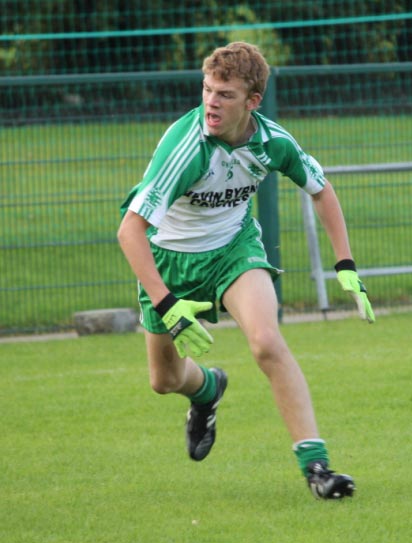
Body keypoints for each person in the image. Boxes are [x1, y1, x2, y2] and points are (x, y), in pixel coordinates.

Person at [117, 41, 375, 500]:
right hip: (167, 261)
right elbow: (130, 231)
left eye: (225, 94)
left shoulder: (272, 142)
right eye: (207, 89)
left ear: (252, 102)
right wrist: (166, 301)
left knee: (266, 342)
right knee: (165, 381)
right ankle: (207, 389)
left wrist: (346, 263)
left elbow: (321, 189)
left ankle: (316, 467)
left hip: (234, 250)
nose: (211, 101)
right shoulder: (187, 147)